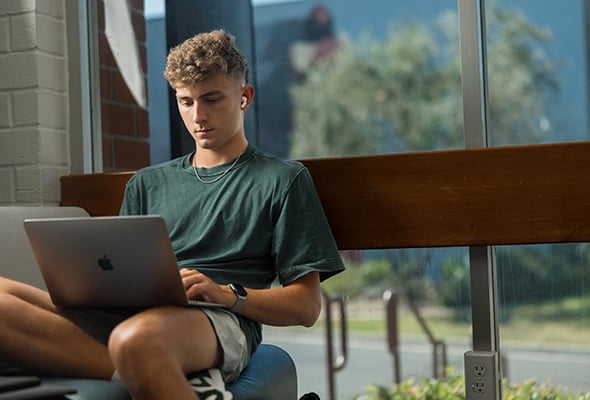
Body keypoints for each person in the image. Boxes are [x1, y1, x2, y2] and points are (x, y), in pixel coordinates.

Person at [0, 29, 344, 400]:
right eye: (186, 102)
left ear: (244, 97)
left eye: (212, 99)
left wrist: (227, 294)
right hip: (134, 311)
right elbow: (117, 268)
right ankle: (166, 375)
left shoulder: (283, 180)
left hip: (216, 319)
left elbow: (306, 306)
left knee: (137, 340)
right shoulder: (147, 183)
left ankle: (149, 361)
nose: (198, 116)